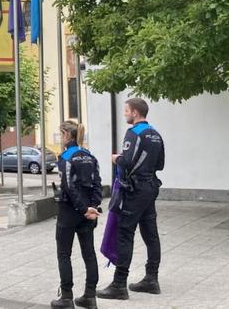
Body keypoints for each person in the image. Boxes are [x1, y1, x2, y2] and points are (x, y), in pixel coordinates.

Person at [98, 97, 165, 301]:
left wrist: (116, 158)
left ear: (135, 112)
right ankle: (151, 279)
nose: (125, 113)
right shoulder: (155, 134)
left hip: (135, 190)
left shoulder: (133, 133)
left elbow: (126, 161)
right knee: (150, 233)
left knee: (125, 233)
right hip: (151, 187)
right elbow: (160, 164)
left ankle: (119, 284)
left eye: (126, 110)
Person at [51, 121, 102, 308]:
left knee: (64, 254)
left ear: (66, 134)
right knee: (89, 253)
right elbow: (98, 183)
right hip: (88, 212)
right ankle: (90, 296)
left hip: (69, 211)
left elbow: (69, 187)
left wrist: (82, 208)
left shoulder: (66, 156)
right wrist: (92, 207)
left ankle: (66, 297)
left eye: (60, 134)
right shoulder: (90, 156)